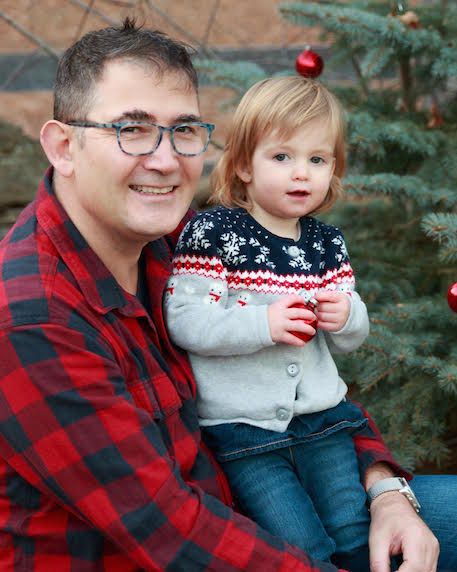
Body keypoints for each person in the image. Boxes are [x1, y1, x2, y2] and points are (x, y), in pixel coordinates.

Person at [0, 17, 454, 572]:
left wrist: (387, 493)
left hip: (258, 490)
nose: (165, 160)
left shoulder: (184, 237)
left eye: (184, 130)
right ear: (63, 147)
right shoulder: (34, 320)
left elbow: (307, 386)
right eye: (132, 130)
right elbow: (170, 533)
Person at [163, 76, 371, 569]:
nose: (301, 173)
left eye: (317, 160)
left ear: (333, 169)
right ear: (243, 165)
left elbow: (350, 339)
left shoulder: (326, 243)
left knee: (353, 531)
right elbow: (186, 321)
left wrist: (347, 317)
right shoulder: (214, 232)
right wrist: (263, 324)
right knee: (298, 545)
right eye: (281, 157)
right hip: (245, 433)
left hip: (323, 421)